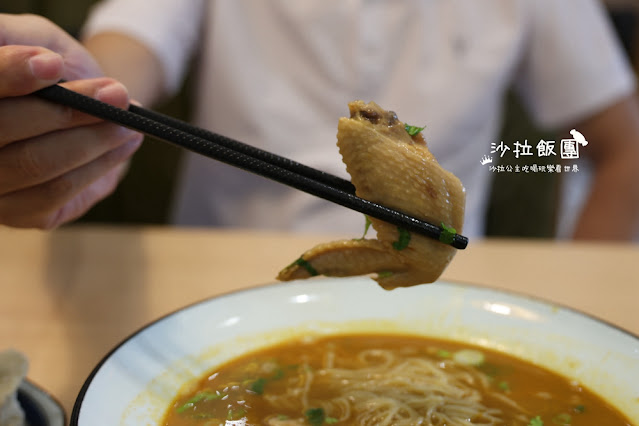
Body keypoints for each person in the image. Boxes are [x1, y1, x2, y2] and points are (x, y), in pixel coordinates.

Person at [1, 0, 639, 240]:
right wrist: (77, 91)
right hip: (218, 282)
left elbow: (624, 148)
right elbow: (132, 47)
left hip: (431, 282)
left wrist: (580, 305)